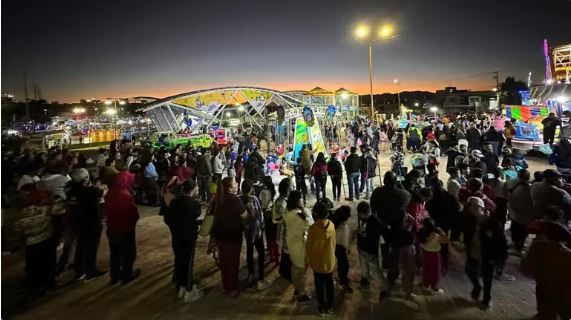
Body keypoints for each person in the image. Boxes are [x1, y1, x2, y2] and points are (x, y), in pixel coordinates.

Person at [462, 196, 507, 310]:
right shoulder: (468, 219)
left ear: (482, 208)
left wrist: (500, 260)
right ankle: (477, 286)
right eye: (471, 206)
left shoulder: (492, 223)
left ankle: (487, 298)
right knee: (470, 271)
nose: (473, 209)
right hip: (473, 252)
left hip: (488, 256)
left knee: (487, 278)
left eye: (476, 207)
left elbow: (501, 242)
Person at [370, 171, 412, 290]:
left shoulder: (377, 192)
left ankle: (385, 262)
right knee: (395, 249)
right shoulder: (403, 194)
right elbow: (409, 197)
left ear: (384, 181)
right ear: (395, 181)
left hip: (383, 225)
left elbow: (372, 208)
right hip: (397, 226)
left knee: (384, 244)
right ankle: (392, 273)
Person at [522, 221, 571, 320]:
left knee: (546, 312)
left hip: (544, 288)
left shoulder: (537, 247)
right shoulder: (567, 254)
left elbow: (526, 268)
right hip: (565, 294)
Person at [164, 180, 204, 302]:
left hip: (176, 236)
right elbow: (194, 216)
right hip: (189, 237)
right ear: (193, 190)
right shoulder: (195, 204)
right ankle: (188, 289)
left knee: (179, 260)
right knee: (188, 263)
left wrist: (176, 227)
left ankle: (180, 286)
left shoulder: (175, 202)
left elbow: (167, 219)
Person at [66, 168, 107, 281]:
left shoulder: (71, 191)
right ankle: (90, 271)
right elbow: (102, 192)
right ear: (85, 179)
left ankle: (79, 271)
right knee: (91, 248)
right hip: (91, 223)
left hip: (78, 223)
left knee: (81, 246)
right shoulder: (90, 191)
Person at [15, 186, 57, 293]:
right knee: (48, 264)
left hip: (31, 243)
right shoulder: (46, 209)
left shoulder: (22, 212)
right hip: (46, 240)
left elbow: (18, 229)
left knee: (33, 266)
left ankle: (35, 287)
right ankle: (49, 285)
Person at [210, 177, 247, 297]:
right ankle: (232, 288)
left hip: (220, 236)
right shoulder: (234, 199)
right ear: (231, 187)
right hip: (233, 236)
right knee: (232, 263)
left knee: (224, 262)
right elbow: (244, 215)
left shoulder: (218, 199)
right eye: (235, 182)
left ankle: (226, 285)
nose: (237, 184)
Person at [105, 169, 140, 285]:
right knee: (128, 254)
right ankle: (127, 275)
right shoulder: (124, 195)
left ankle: (114, 276)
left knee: (114, 254)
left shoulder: (110, 192)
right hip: (125, 229)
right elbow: (132, 214)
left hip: (111, 229)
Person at [306, 201, 336, 315]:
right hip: (329, 261)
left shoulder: (313, 229)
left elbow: (308, 247)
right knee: (329, 284)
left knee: (319, 285)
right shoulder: (331, 226)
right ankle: (330, 306)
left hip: (317, 263)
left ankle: (322, 307)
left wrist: (309, 258)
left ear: (315, 215)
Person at [283, 190, 314, 303]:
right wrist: (305, 211)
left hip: (292, 243)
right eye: (301, 199)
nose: (303, 200)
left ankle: (297, 289)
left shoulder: (288, 211)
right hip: (300, 246)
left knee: (295, 267)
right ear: (297, 201)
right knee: (301, 271)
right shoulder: (299, 215)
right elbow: (311, 225)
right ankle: (301, 293)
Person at [240, 179, 270, 290]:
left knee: (249, 251)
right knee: (261, 252)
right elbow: (259, 214)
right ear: (251, 188)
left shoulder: (239, 199)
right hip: (256, 230)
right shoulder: (254, 199)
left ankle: (251, 273)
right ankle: (261, 277)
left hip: (247, 230)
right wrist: (262, 226)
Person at [356, 201, 390, 299]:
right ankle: (365, 278)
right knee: (363, 265)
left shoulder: (375, 222)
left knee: (375, 271)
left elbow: (385, 231)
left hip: (370, 250)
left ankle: (385, 287)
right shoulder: (362, 218)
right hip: (362, 247)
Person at [418, 217, 446, 294]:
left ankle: (425, 285)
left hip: (425, 254)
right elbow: (445, 240)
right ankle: (434, 287)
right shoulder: (436, 236)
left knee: (426, 270)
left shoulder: (422, 235)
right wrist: (441, 231)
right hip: (435, 255)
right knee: (435, 271)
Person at [274, 178, 292, 280]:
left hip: (285, 231)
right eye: (291, 186)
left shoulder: (283, 200)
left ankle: (284, 271)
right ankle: (286, 273)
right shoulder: (282, 203)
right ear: (287, 189)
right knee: (286, 253)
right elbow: (276, 218)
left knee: (285, 253)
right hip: (284, 231)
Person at [332, 205, 352, 293]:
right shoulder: (342, 226)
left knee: (341, 264)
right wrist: (347, 248)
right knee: (345, 265)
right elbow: (344, 240)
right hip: (340, 247)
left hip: (335, 246)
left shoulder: (336, 223)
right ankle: (343, 282)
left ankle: (342, 278)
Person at [260, 176, 279, 264]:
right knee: (273, 234)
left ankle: (271, 252)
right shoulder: (274, 191)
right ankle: (275, 253)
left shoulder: (263, 192)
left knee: (268, 233)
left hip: (266, 212)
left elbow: (261, 202)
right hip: (272, 212)